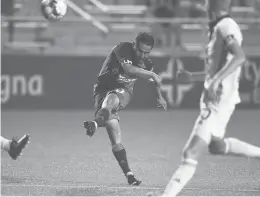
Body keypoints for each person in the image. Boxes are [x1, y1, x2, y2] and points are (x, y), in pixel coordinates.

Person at [151, 0, 260, 196]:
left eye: (207, 2)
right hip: (219, 98)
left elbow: (239, 56)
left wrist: (215, 81)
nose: (204, 5)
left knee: (190, 153)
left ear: (216, 6)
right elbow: (220, 67)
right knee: (217, 146)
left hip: (218, 101)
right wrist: (194, 77)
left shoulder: (225, 25)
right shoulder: (219, 27)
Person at [83, 32, 167, 186]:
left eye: (146, 52)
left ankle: (95, 123)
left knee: (112, 99)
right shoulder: (123, 48)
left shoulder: (147, 64)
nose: (142, 55)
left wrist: (159, 97)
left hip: (124, 91)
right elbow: (128, 69)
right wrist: (152, 74)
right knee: (114, 136)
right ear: (134, 45)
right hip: (101, 90)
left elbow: (154, 81)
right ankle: (130, 175)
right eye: (140, 51)